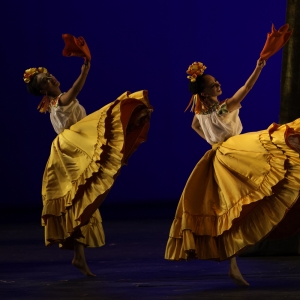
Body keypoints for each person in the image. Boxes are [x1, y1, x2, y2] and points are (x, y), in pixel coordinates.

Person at [165, 59, 300, 286]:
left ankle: (233, 265)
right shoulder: (221, 108)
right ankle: (234, 265)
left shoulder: (200, 112)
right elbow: (246, 90)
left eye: (217, 83)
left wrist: (212, 143)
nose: (218, 86)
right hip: (234, 152)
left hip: (219, 156)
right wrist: (259, 67)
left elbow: (195, 127)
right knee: (273, 148)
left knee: (229, 208)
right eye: (212, 85)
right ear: (204, 94)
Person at [24, 60, 153, 277]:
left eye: (49, 75)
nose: (50, 78)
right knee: (82, 197)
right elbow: (75, 90)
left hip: (72, 148)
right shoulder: (61, 101)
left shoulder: (59, 102)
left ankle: (79, 257)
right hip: (72, 151)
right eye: (45, 80)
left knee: (82, 201)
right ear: (42, 90)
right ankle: (79, 256)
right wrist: (84, 72)